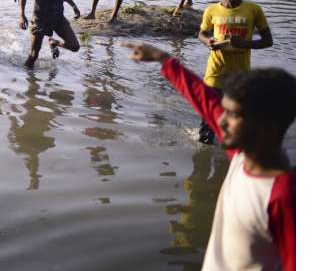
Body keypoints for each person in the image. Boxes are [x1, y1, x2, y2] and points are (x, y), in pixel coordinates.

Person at [123, 42, 294, 271]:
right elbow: (204, 98)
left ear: (267, 126)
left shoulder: (284, 196)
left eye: (232, 114)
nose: (221, 120)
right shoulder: (242, 156)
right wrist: (161, 57)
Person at [196, 0, 273, 144]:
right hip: (214, 74)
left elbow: (268, 41)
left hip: (240, 76)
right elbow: (201, 33)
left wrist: (244, 43)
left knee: (235, 126)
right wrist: (208, 42)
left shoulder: (254, 10)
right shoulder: (211, 11)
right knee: (206, 131)